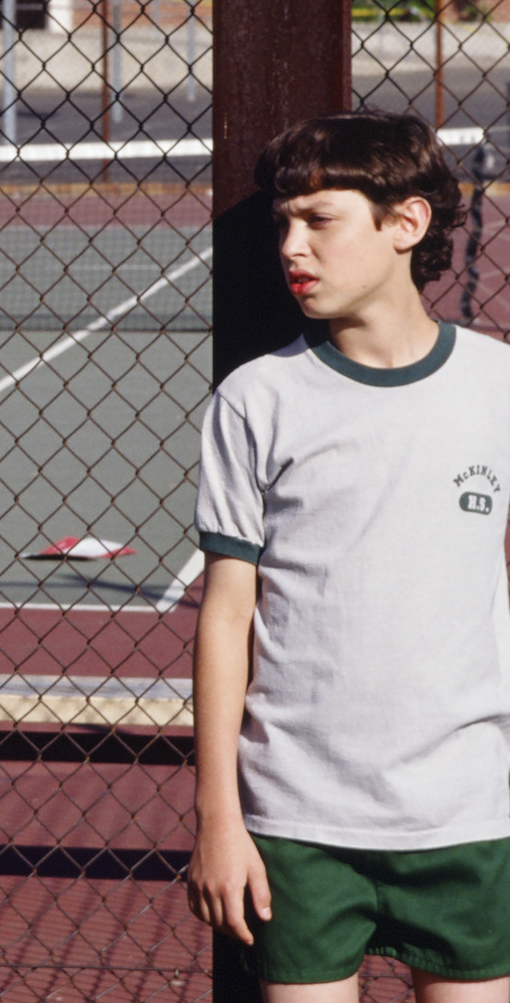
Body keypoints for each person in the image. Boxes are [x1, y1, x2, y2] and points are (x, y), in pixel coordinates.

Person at [187, 110, 510, 1001]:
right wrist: (221, 815)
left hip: (467, 816)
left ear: (404, 224)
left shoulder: (497, 387)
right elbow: (225, 618)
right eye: (284, 223)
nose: (293, 245)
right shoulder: (257, 401)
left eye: (320, 219)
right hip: (298, 821)